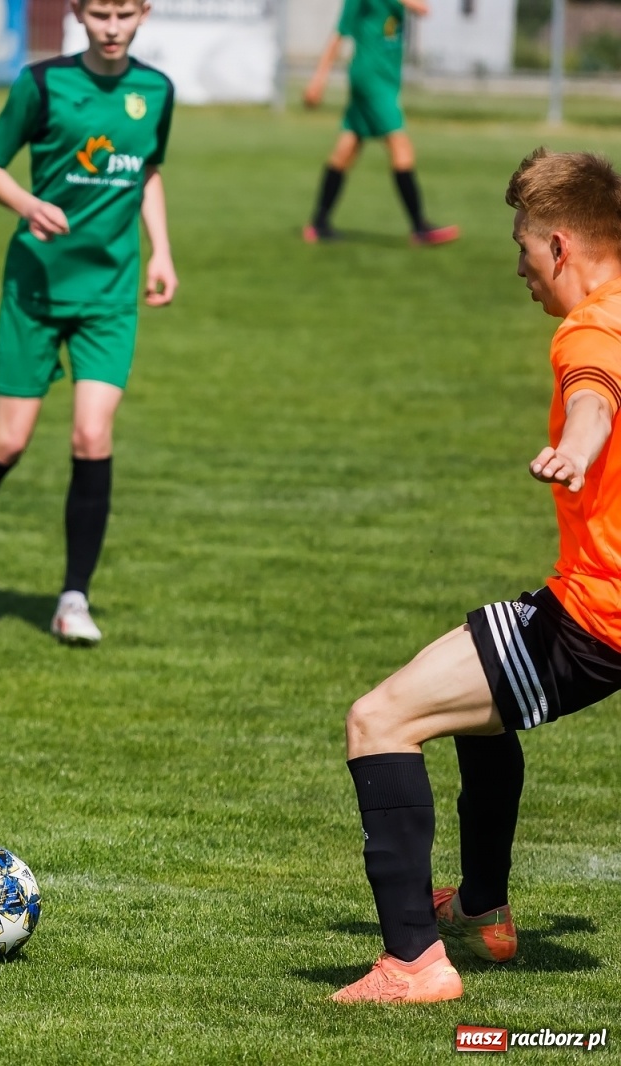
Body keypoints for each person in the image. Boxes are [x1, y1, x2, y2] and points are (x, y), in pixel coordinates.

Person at [334, 148, 621, 1003]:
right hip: (588, 604)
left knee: (379, 719)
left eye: (525, 249)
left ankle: (414, 965)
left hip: (599, 619)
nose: (522, 271)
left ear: (562, 247)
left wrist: (576, 449)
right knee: (479, 698)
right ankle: (484, 904)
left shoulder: (591, 326)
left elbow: (593, 394)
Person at [0, 0, 176, 646]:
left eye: (124, 13)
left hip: (110, 292)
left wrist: (163, 252)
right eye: (99, 14)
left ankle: (73, 599)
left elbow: (146, 172)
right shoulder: (42, 85)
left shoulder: (157, 91)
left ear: (144, 12)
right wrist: (28, 202)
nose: (111, 27)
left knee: (93, 435)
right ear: (77, 14)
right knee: (8, 441)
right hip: (35, 286)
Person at [301, 0, 456, 245]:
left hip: (386, 78)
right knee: (401, 147)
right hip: (371, 79)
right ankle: (419, 227)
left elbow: (422, 7)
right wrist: (318, 80)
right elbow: (338, 35)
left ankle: (318, 224)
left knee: (346, 149)